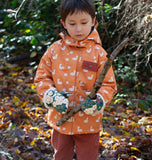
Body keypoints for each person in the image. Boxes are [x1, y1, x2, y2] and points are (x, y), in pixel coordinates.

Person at [34, 0, 117, 159]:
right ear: (63, 23)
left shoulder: (99, 54)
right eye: (72, 24)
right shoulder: (55, 50)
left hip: (88, 121)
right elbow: (42, 77)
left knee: (88, 156)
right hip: (60, 118)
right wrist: (50, 95)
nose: (78, 29)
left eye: (84, 22)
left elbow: (108, 84)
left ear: (93, 21)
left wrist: (99, 100)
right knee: (61, 154)